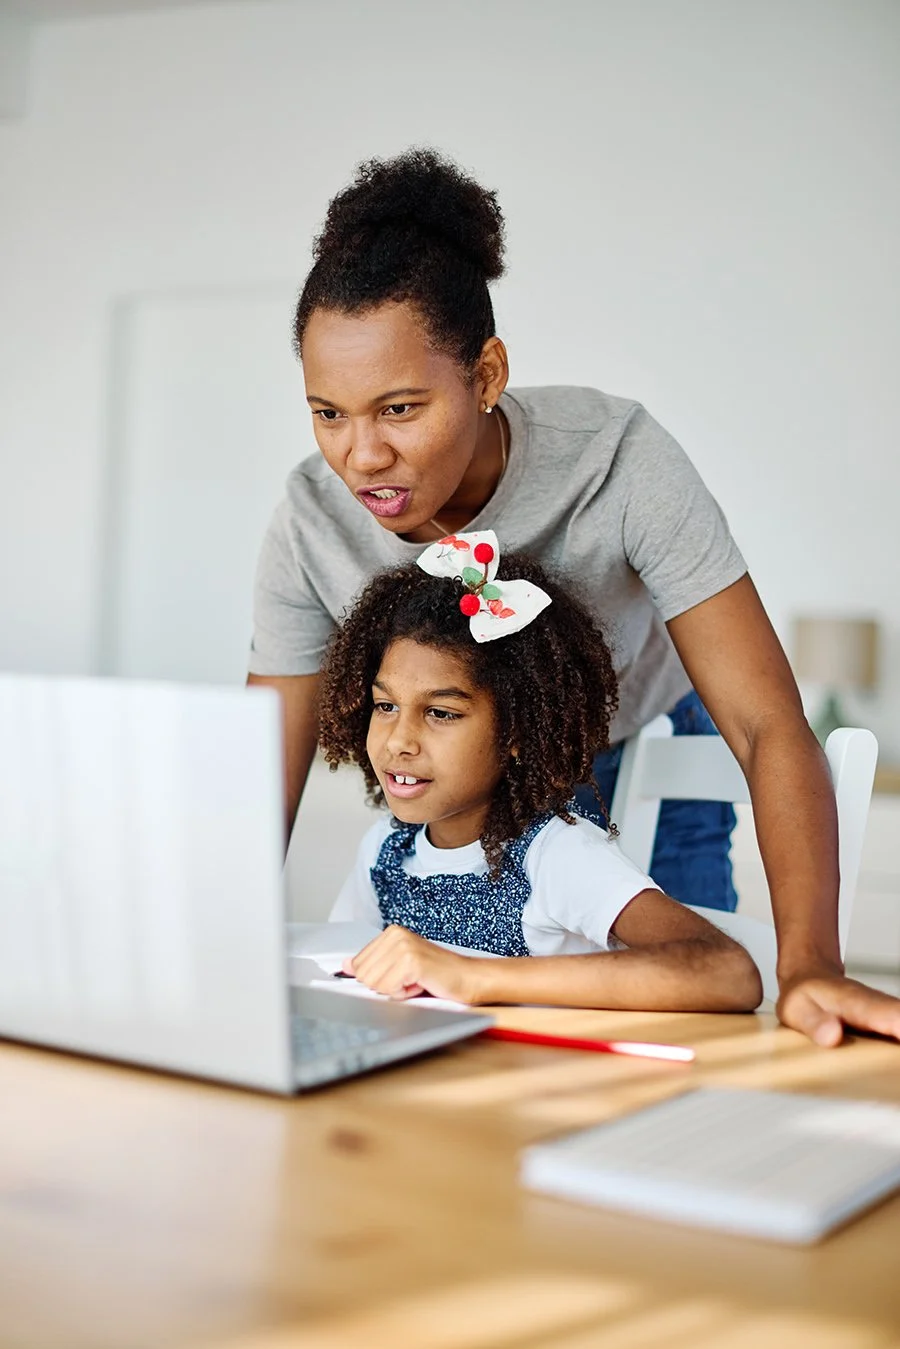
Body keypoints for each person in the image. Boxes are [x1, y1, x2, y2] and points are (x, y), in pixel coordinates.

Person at [248, 146, 900, 1044]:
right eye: (328, 412)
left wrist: (811, 966)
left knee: (682, 1036)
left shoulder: (618, 459)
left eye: (399, 408)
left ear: (484, 375)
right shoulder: (310, 519)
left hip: (645, 737)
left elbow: (765, 723)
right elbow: (253, 771)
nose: (361, 456)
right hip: (469, 776)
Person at [318, 531, 762, 1010]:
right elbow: (339, 972)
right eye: (385, 706)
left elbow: (729, 971)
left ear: (515, 732)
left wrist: (473, 976)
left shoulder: (556, 855)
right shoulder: (383, 850)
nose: (399, 741)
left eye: (441, 713)